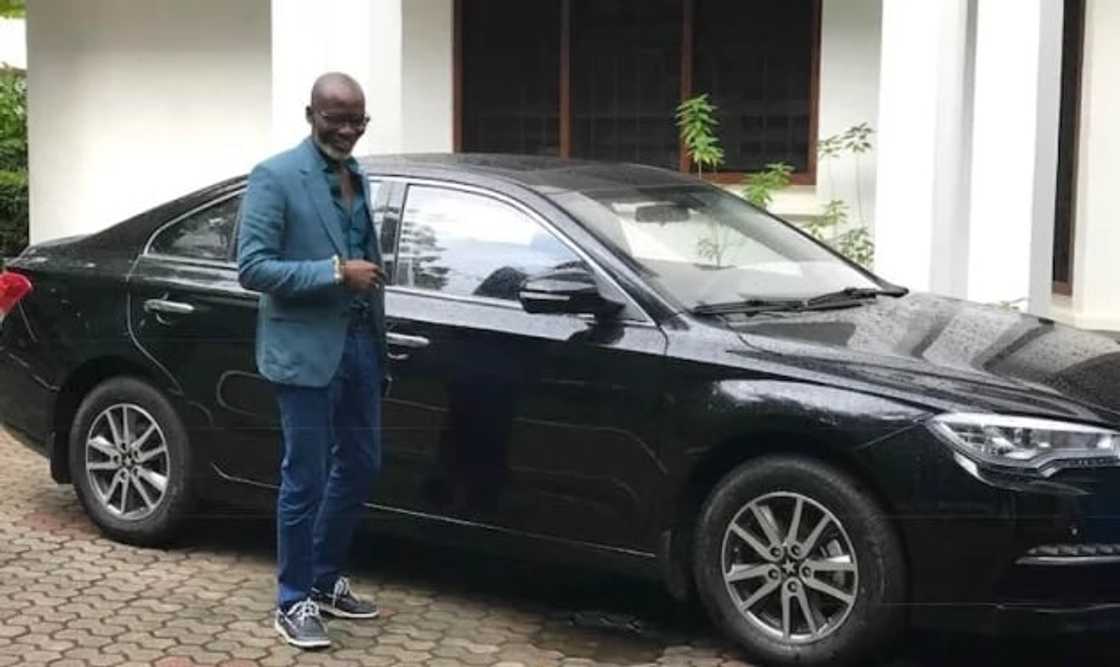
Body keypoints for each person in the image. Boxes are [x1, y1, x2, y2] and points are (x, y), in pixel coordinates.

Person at [237, 72, 388, 650]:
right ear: (311, 115)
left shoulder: (358, 176)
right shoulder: (276, 176)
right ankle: (292, 599)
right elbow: (252, 267)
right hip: (303, 351)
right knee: (305, 478)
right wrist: (332, 272)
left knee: (363, 465)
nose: (348, 130)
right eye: (336, 118)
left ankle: (323, 580)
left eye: (358, 120)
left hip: (358, 347)